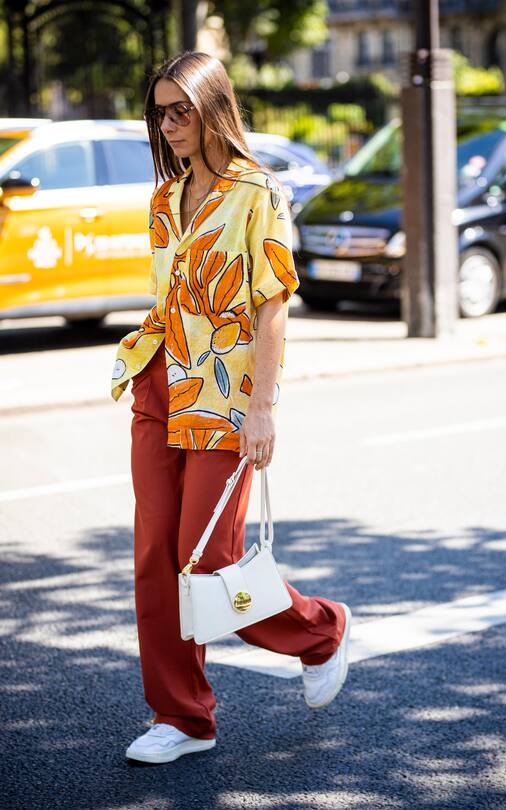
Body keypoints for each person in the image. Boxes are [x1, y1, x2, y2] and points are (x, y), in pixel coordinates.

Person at [111, 50, 351, 765]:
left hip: (225, 399)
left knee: (207, 559)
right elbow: (169, 299)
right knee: (154, 559)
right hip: (160, 388)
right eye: (159, 110)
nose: (168, 123)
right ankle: (181, 717)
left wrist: (263, 407)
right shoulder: (164, 198)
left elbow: (271, 308)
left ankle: (320, 631)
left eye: (181, 109)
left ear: (214, 107)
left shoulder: (258, 193)